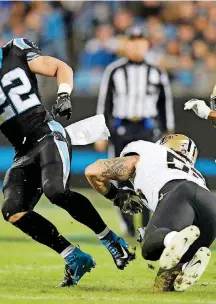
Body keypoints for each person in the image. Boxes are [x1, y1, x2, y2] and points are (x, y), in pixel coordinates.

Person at [0, 13, 135, 287]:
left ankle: (111, 239)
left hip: (48, 132)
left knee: (56, 191)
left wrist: (63, 94)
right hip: (22, 150)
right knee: (12, 209)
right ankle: (73, 257)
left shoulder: (17, 50)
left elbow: (60, 67)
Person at [85, 134, 216, 292]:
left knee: (148, 248)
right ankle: (188, 261)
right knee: (163, 286)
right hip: (210, 206)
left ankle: (175, 240)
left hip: (181, 193)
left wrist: (115, 195)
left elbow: (93, 171)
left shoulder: (149, 151)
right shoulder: (195, 173)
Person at [95, 26, 175, 237]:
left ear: (147, 45)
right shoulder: (115, 70)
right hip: (122, 127)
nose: (137, 46)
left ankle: (148, 223)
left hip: (148, 128)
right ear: (126, 44)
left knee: (150, 175)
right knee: (119, 175)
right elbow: (106, 102)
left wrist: (169, 132)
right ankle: (128, 222)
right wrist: (102, 133)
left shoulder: (157, 72)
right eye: (132, 41)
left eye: (141, 41)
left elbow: (164, 103)